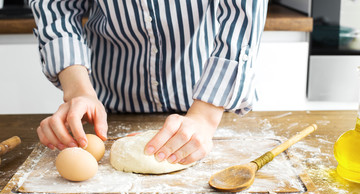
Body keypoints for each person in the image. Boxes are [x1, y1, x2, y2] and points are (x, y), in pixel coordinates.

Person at [29, 0, 268, 165]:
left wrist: (204, 116)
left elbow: (242, 15)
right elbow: (55, 7)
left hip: (204, 97)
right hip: (107, 106)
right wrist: (79, 91)